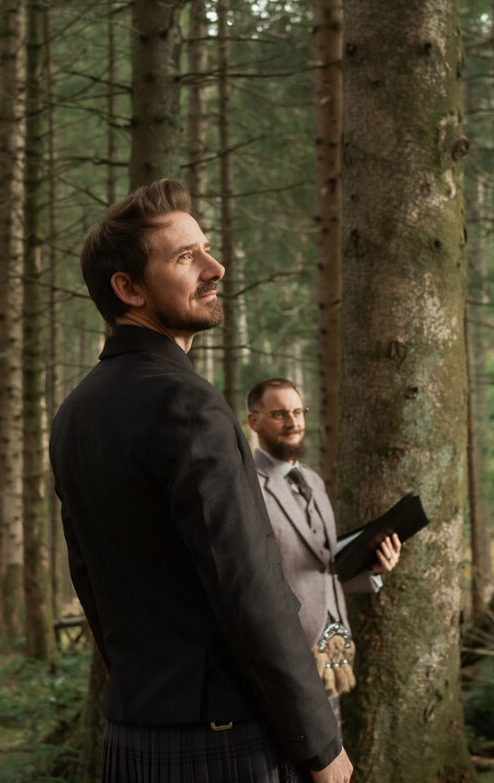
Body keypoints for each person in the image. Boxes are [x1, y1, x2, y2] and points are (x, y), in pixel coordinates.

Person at [49, 181, 352, 783]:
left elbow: (88, 576)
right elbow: (247, 585)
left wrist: (150, 688)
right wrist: (319, 744)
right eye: (186, 257)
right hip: (225, 746)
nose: (216, 267)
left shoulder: (74, 412)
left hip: (135, 734)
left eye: (206, 248)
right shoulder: (187, 404)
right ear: (128, 288)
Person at [247, 379, 401, 723]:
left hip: (333, 648)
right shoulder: (246, 487)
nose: (293, 422)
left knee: (332, 756)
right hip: (284, 654)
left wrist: (373, 568)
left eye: (298, 412)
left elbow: (324, 570)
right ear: (254, 421)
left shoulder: (313, 481)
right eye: (280, 414)